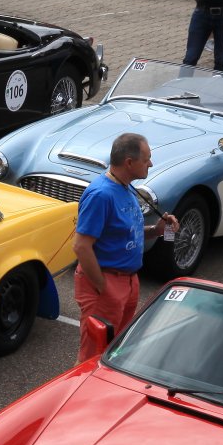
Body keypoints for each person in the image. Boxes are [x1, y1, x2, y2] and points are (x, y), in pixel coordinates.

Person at [71, 133, 178, 364]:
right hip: (107, 282)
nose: (151, 163)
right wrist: (103, 286)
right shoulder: (101, 195)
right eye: (146, 159)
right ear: (129, 162)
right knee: (92, 357)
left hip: (128, 281)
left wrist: (157, 230)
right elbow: (81, 246)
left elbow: (124, 231)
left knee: (115, 353)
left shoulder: (126, 187)